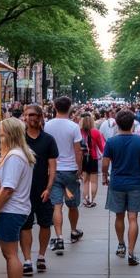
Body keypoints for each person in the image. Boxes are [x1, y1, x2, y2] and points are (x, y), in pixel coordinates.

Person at [0, 119, 36, 278]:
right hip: (15, 209)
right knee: (9, 254)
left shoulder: (15, 156)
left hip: (12, 210)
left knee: (10, 254)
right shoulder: (17, 155)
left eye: (1, 133)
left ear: (10, 134)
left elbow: (8, 188)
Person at [103, 109, 140, 265]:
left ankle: (121, 244)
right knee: (133, 218)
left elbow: (105, 164)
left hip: (117, 183)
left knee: (118, 216)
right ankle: (131, 252)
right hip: (135, 183)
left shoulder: (111, 142)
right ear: (132, 124)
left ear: (117, 123)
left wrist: (105, 176)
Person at [20, 104, 58, 274]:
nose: (31, 118)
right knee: (25, 226)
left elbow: (52, 167)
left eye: (34, 115)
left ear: (41, 116)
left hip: (42, 189)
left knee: (45, 224)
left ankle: (41, 256)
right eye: (28, 115)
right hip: (23, 191)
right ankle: (27, 259)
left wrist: (49, 188)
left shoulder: (48, 140)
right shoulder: (19, 139)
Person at [45, 96, 84, 255]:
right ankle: (74, 230)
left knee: (57, 205)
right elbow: (78, 151)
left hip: (53, 172)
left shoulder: (47, 126)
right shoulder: (73, 127)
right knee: (72, 204)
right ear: (70, 108)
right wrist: (79, 169)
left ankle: (59, 236)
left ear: (54, 107)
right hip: (69, 172)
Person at [80, 112, 106, 208]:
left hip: (83, 158)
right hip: (93, 158)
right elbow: (102, 147)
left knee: (85, 181)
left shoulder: (79, 131)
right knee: (94, 182)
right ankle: (91, 200)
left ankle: (86, 200)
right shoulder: (95, 132)